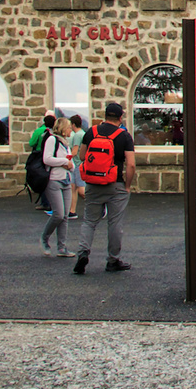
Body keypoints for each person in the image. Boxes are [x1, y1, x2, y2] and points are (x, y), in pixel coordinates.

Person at [73, 101, 136, 275]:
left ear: (105, 115)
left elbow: (82, 156)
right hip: (115, 184)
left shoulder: (91, 132)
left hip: (93, 184)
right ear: (120, 117)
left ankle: (83, 253)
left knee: (89, 221)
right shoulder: (124, 136)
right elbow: (130, 164)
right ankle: (112, 260)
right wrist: (128, 186)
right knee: (114, 223)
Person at [39, 118, 74, 257]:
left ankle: (62, 247)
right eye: (69, 127)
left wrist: (70, 165)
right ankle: (44, 238)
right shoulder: (52, 140)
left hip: (66, 180)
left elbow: (71, 163)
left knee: (65, 216)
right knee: (58, 213)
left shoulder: (66, 143)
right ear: (63, 128)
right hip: (54, 180)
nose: (70, 129)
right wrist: (64, 161)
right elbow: (47, 159)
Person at [27, 112, 55, 209]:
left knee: (42, 178)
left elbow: (31, 143)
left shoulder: (39, 131)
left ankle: (45, 203)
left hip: (40, 156)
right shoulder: (55, 132)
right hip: (53, 157)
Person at [66, 114, 86, 219]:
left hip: (78, 164)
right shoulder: (82, 133)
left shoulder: (78, 135)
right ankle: (72, 211)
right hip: (76, 164)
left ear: (73, 124)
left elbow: (74, 151)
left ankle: (98, 205)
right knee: (73, 188)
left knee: (81, 190)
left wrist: (64, 157)